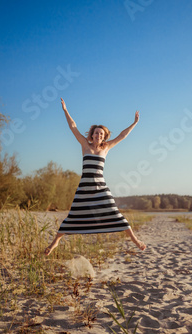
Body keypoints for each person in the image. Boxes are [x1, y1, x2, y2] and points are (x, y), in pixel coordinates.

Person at [44, 98, 146, 255]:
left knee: (116, 214)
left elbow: (122, 135)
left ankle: (136, 241)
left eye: (101, 133)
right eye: (96, 133)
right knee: (73, 217)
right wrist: (65, 110)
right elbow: (73, 127)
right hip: (84, 188)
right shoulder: (85, 145)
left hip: (100, 188)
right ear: (92, 134)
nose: (98, 135)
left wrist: (135, 123)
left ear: (104, 137)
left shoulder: (106, 148)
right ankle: (54, 244)